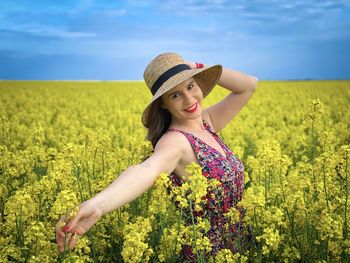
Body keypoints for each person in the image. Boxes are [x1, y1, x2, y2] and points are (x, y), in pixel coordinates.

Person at [55, 52, 258, 259]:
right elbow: (146, 170)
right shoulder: (175, 142)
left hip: (241, 244)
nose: (189, 99)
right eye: (175, 95)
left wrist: (192, 66)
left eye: (190, 86)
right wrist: (97, 205)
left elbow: (248, 85)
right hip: (206, 254)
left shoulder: (207, 123)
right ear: (162, 103)